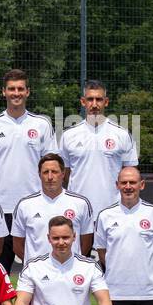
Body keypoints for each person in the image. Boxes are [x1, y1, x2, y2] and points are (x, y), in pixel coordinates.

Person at [0, 69, 57, 271]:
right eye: (11, 89)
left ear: (28, 92)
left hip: (34, 208)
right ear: (3, 92)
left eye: (21, 89)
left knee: (39, 269)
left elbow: (51, 165)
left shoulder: (42, 124)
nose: (16, 93)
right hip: (1, 209)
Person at [93, 166, 153, 305]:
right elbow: (102, 252)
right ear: (117, 185)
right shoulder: (105, 215)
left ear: (141, 185)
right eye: (124, 182)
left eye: (132, 182)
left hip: (149, 294)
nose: (128, 186)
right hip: (115, 294)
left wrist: (147, 268)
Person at [15, 217, 112, 305]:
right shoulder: (33, 266)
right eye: (56, 238)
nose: (61, 242)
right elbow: (21, 302)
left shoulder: (89, 266)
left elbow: (104, 300)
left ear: (74, 237)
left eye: (65, 237)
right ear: (48, 238)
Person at [60, 80, 138, 218]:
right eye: (90, 99)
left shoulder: (122, 134)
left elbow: (131, 173)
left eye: (99, 99)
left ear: (106, 102)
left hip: (114, 212)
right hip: (78, 212)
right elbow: (65, 174)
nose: (94, 104)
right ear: (83, 102)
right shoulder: (68, 135)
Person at [10, 153, 94, 265]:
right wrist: (36, 266)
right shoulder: (25, 205)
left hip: (70, 271)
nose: (50, 177)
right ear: (39, 175)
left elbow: (86, 243)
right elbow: (17, 245)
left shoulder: (81, 203)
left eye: (54, 172)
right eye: (45, 172)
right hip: (36, 275)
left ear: (63, 174)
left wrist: (68, 263)